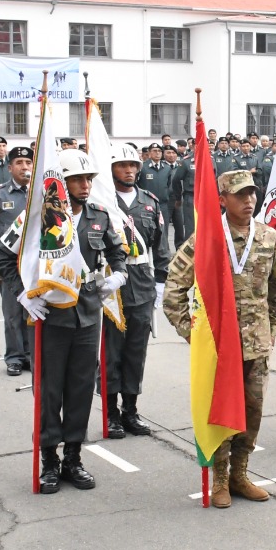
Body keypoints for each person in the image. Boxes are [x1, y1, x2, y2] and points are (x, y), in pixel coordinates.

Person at [163, 169, 276, 507]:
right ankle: (219, 480)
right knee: (221, 413)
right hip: (219, 350)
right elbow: (173, 293)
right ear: (222, 199)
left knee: (251, 412)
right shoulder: (206, 239)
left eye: (252, 194)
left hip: (256, 346)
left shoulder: (267, 237)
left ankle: (240, 474)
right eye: (240, 195)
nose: (249, 201)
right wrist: (197, 337)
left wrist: (270, 331)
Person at [21, 150, 128, 494]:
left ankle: (73, 456)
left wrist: (119, 276)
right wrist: (24, 294)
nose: (85, 186)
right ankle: (49, 459)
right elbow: (5, 258)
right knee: (50, 390)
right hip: (51, 316)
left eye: (89, 179)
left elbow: (117, 251)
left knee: (81, 388)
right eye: (78, 180)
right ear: (61, 184)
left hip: (87, 314)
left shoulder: (98, 215)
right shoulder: (38, 219)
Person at [103, 142, 170, 438]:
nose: (129, 171)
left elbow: (161, 246)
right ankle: (111, 414)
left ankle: (131, 409)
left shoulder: (150, 202)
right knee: (110, 352)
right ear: (111, 169)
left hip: (141, 283)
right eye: (122, 165)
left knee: (135, 352)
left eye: (133, 166)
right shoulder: (101, 202)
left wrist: (160, 283)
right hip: (110, 285)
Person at [0, 145, 34, 376]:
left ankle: (32, 355)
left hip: (35, 265)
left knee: (33, 312)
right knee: (12, 313)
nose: (25, 167)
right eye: (19, 163)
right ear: (10, 167)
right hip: (8, 265)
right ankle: (14, 357)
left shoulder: (42, 194)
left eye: (28, 162)